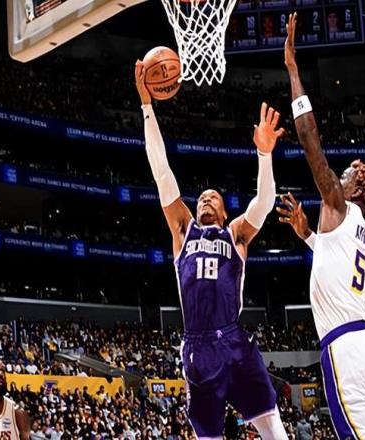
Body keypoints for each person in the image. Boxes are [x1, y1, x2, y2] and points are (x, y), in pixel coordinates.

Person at [135, 61, 288, 439]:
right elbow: (161, 171)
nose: (205, 199)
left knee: (270, 420)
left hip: (233, 338)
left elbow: (264, 203)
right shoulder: (183, 230)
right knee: (208, 434)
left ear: (223, 210)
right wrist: (147, 107)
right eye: (201, 196)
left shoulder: (236, 235)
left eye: (213, 197)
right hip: (197, 345)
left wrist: (265, 155)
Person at [282, 12, 365, 440]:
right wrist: (309, 235)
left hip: (345, 347)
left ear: (354, 188)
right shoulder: (364, 233)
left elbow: (308, 139)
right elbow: (337, 263)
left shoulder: (337, 201)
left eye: (348, 172)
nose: (341, 173)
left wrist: (293, 70)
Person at [277, 194, 365, 440]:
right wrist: (308, 235)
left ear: (354, 187)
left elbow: (326, 182)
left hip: (344, 340)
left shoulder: (342, 212)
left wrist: (313, 162)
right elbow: (335, 256)